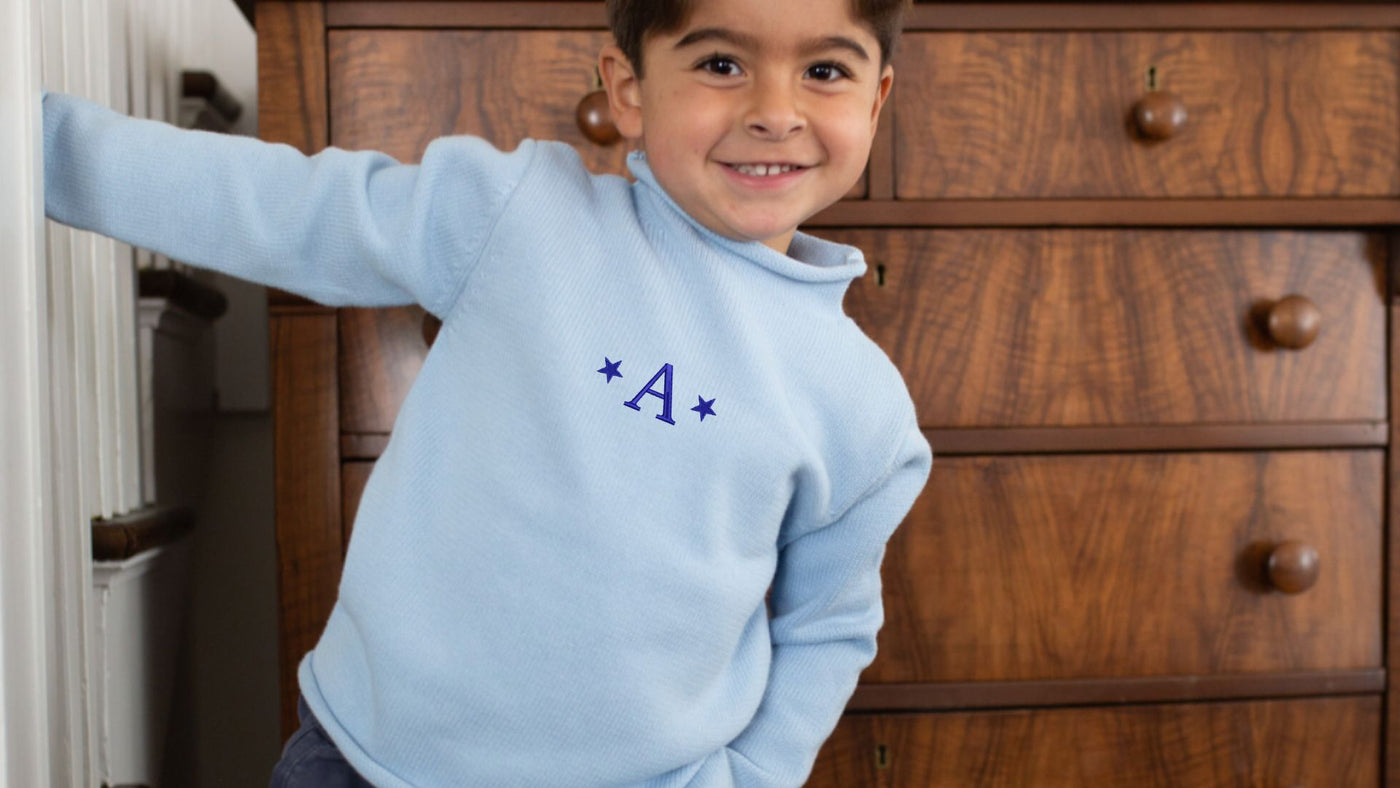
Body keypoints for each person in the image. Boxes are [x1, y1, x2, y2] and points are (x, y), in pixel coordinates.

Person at [41, 0, 931, 784]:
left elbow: (829, 625)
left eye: (824, 71)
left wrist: (751, 778)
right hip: (364, 760)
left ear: (876, 98)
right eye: (722, 63)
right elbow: (284, 206)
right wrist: (40, 144)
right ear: (628, 89)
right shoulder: (520, 215)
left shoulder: (864, 408)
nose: (775, 111)